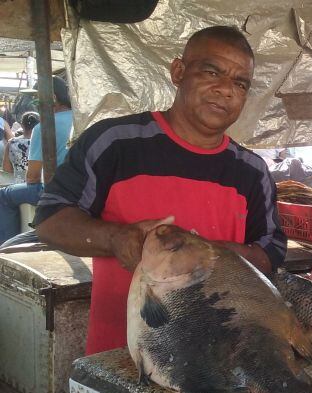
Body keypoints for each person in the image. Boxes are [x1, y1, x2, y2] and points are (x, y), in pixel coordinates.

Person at [33, 26, 287, 355]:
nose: (226, 90)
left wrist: (202, 254)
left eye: (240, 83)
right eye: (212, 72)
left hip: (222, 357)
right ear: (178, 72)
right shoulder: (115, 144)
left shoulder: (252, 172)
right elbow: (50, 219)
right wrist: (115, 238)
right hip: (122, 357)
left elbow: (269, 255)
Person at [0, 77, 73, 244]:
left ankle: (6, 251)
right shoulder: (84, 119)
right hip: (83, 190)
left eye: (36, 98)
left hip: (56, 192)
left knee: (3, 195)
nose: (34, 103)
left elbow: (32, 177)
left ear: (53, 98)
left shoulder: (44, 127)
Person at [2, 112, 39, 184]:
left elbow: (7, 170)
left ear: (21, 125)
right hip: (39, 187)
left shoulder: (11, 143)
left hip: (18, 187)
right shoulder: (43, 143)